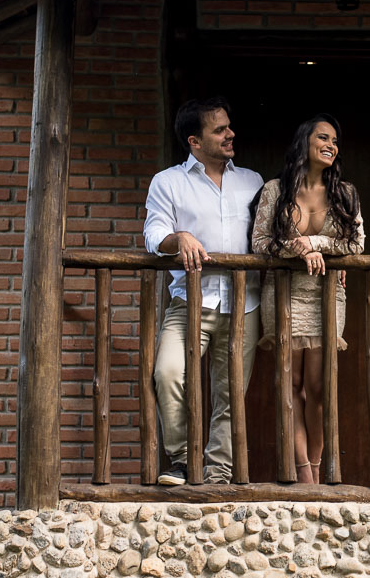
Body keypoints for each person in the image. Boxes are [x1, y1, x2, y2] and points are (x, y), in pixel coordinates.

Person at [143, 97, 263, 486]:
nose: (230, 135)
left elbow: (271, 236)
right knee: (167, 372)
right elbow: (153, 234)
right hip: (189, 300)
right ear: (195, 141)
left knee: (231, 395)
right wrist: (179, 237)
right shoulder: (168, 182)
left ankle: (218, 473)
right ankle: (179, 460)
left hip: (245, 304)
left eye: (229, 127)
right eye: (219, 130)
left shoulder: (253, 181)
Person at [251, 114, 364, 484]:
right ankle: (304, 473)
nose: (331, 144)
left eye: (335, 139)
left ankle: (317, 464)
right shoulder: (274, 189)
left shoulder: (345, 193)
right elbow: (260, 244)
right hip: (284, 296)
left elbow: (356, 245)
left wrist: (315, 244)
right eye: (323, 137)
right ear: (305, 142)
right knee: (290, 385)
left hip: (326, 296)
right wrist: (297, 252)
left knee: (317, 388)